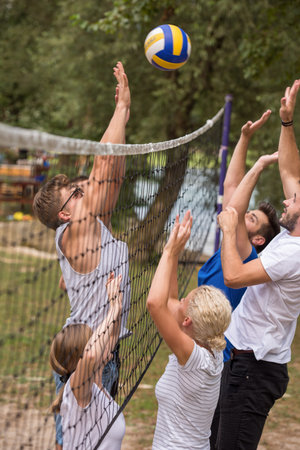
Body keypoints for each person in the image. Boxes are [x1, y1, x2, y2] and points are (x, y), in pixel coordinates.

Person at [33, 61, 131, 449]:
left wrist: (120, 113)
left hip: (104, 352)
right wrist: (122, 109)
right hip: (85, 357)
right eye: (74, 194)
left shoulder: (96, 225)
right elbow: (103, 164)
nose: (81, 191)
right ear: (63, 215)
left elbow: (114, 171)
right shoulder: (70, 235)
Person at [213, 79, 300, 449]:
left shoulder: (291, 253)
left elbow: (233, 277)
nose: (287, 200)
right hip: (244, 360)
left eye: (293, 200)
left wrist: (232, 226)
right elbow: (290, 171)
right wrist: (286, 123)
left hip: (254, 369)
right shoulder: (291, 238)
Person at [198, 110, 280, 362]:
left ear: (258, 240)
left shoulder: (246, 255)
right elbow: (231, 188)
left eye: (251, 218)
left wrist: (260, 165)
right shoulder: (228, 249)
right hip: (202, 354)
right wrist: (245, 138)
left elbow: (235, 206)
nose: (243, 215)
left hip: (220, 362)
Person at [146, 211, 232, 449]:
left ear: (187, 322)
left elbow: (156, 303)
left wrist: (168, 252)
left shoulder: (194, 358)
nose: (180, 299)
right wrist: (174, 248)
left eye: (185, 300)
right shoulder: (210, 349)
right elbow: (170, 300)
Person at [50, 272, 125, 450]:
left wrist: (116, 303)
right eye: (93, 340)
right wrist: (113, 310)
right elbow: (91, 356)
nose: (101, 343)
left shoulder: (95, 383)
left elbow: (112, 335)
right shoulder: (77, 390)